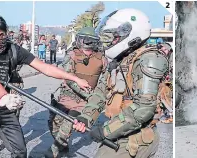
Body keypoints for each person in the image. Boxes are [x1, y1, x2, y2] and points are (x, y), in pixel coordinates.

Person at [0, 15, 91, 158]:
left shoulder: (14, 50)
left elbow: (45, 67)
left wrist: (74, 78)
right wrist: (5, 96)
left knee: (20, 152)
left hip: (6, 112)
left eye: (0, 36)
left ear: (6, 33)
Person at [72, 8, 169, 158]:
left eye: (115, 37)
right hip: (121, 131)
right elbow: (101, 92)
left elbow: (144, 108)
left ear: (132, 35)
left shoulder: (149, 59)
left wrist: (106, 130)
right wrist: (86, 117)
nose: (111, 41)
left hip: (138, 136)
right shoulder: (119, 60)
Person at [46, 27, 106, 157]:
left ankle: (52, 152)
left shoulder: (101, 58)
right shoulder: (72, 55)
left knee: (66, 128)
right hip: (65, 98)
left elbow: (107, 81)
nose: (88, 46)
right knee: (53, 124)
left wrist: (94, 97)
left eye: (91, 42)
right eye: (86, 41)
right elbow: (69, 78)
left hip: (83, 102)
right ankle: (63, 147)